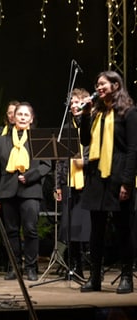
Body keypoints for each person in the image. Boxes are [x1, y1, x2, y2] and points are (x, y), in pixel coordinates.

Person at [79, 70, 137, 294]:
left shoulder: (128, 113)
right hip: (96, 176)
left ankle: (126, 276)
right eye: (97, 84)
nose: (99, 88)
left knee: (123, 228)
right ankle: (94, 277)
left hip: (117, 175)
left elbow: (133, 150)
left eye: (102, 84)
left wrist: (127, 182)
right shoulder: (96, 113)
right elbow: (85, 140)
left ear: (115, 85)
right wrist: (85, 115)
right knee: (96, 230)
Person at [0, 102, 51, 281]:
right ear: (13, 118)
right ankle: (14, 267)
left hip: (30, 190)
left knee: (31, 230)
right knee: (11, 231)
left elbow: (46, 165)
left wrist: (30, 176)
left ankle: (31, 268)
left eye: (26, 115)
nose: (23, 117)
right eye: (20, 114)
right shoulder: (1, 140)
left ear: (31, 119)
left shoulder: (38, 138)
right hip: (7, 191)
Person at [55, 88, 91, 280]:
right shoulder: (66, 128)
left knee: (86, 225)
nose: (74, 105)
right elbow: (60, 160)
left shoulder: (92, 124)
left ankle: (92, 266)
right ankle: (74, 266)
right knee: (70, 226)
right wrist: (57, 185)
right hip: (69, 180)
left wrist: (86, 162)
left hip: (88, 180)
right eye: (72, 103)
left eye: (78, 102)